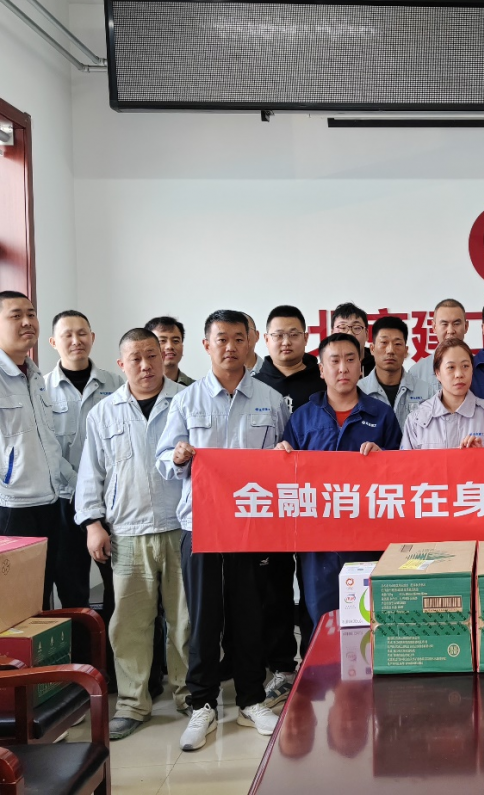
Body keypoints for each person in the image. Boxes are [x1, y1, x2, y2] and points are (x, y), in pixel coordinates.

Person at [156, 310, 290, 751]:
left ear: (251, 342)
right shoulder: (186, 401)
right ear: (206, 345)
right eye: (221, 339)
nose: (230, 347)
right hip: (201, 524)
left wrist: (285, 453)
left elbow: (283, 465)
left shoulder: (271, 400)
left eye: (238, 338)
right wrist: (177, 457)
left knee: (250, 613)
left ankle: (251, 699)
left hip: (251, 526)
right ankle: (203, 704)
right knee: (204, 618)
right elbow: (163, 460)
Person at [75, 328, 190, 740]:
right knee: (129, 624)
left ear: (164, 357)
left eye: (151, 355)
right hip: (127, 531)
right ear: (122, 365)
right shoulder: (103, 413)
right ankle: (132, 703)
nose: (145, 365)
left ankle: (190, 695)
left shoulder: (186, 401)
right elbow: (91, 473)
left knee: (186, 621)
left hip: (181, 527)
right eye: (135, 358)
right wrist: (93, 524)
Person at [278, 332, 401, 627]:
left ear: (361, 365)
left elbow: (404, 476)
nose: (343, 368)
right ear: (322, 369)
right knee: (321, 620)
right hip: (317, 542)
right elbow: (285, 481)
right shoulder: (303, 418)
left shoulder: (382, 415)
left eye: (350, 359)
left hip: (369, 537)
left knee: (369, 619)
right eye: (334, 361)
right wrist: (279, 457)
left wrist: (385, 458)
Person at [253, 305, 323, 708]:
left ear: (306, 338)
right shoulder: (254, 382)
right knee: (275, 588)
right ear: (266, 339)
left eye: (293, 334)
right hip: (272, 505)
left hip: (319, 504)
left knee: (314, 583)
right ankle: (281, 665)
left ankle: (315, 656)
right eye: (278, 335)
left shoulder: (322, 379)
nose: (285, 341)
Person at [44, 310, 123, 609]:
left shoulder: (116, 383)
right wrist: (81, 485)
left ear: (92, 337)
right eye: (67, 335)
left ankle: (114, 640)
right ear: (54, 342)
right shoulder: (43, 389)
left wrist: (95, 487)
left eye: (82, 333)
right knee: (71, 585)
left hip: (110, 500)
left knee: (118, 583)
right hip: (64, 501)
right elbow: (47, 448)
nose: (76, 340)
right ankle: (77, 640)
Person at [0, 291, 73, 609]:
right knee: (13, 603)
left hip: (48, 502)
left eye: (31, 314)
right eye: (16, 315)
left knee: (40, 597)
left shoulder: (35, 376)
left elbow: (48, 442)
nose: (27, 321)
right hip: (11, 507)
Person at [401, 339, 484, 449]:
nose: (459, 374)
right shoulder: (416, 420)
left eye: (465, 366)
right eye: (451, 367)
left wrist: (483, 454)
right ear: (438, 373)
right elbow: (406, 460)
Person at [359, 316, 434, 429]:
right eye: (384, 343)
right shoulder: (358, 391)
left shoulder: (427, 392)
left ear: (406, 351)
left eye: (397, 344)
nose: (390, 350)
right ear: (372, 349)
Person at [409, 299, 470, 391]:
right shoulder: (416, 373)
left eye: (456, 324)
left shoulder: (479, 368)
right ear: (434, 327)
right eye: (444, 324)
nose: (450, 331)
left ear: (466, 326)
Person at [146, 317, 195, 386]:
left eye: (175, 341)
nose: (170, 346)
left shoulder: (195, 388)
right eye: (162, 341)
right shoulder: (136, 388)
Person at [331, 303, 375, 377]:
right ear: (332, 334)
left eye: (356, 328)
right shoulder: (323, 370)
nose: (350, 333)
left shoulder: (380, 369)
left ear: (367, 334)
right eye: (342, 327)